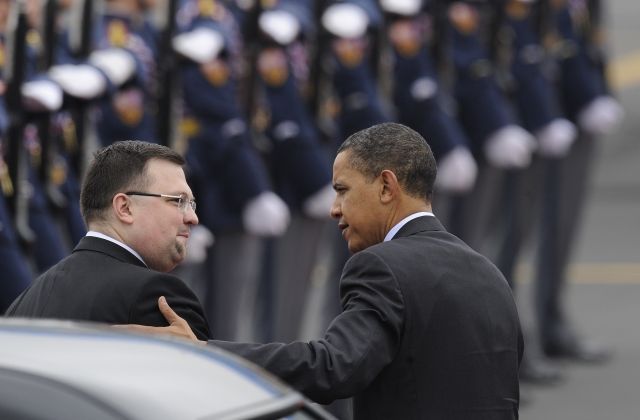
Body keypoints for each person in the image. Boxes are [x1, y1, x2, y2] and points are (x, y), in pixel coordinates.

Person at [123, 123, 524, 419]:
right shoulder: (487, 273)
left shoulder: (381, 266)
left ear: (387, 187)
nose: (334, 208)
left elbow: (331, 368)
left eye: (343, 190)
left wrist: (204, 353)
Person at [5, 140, 210, 341]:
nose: (193, 217)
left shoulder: (25, 301)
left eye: (191, 203)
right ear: (125, 208)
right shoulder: (155, 295)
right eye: (178, 201)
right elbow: (221, 373)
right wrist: (200, 350)